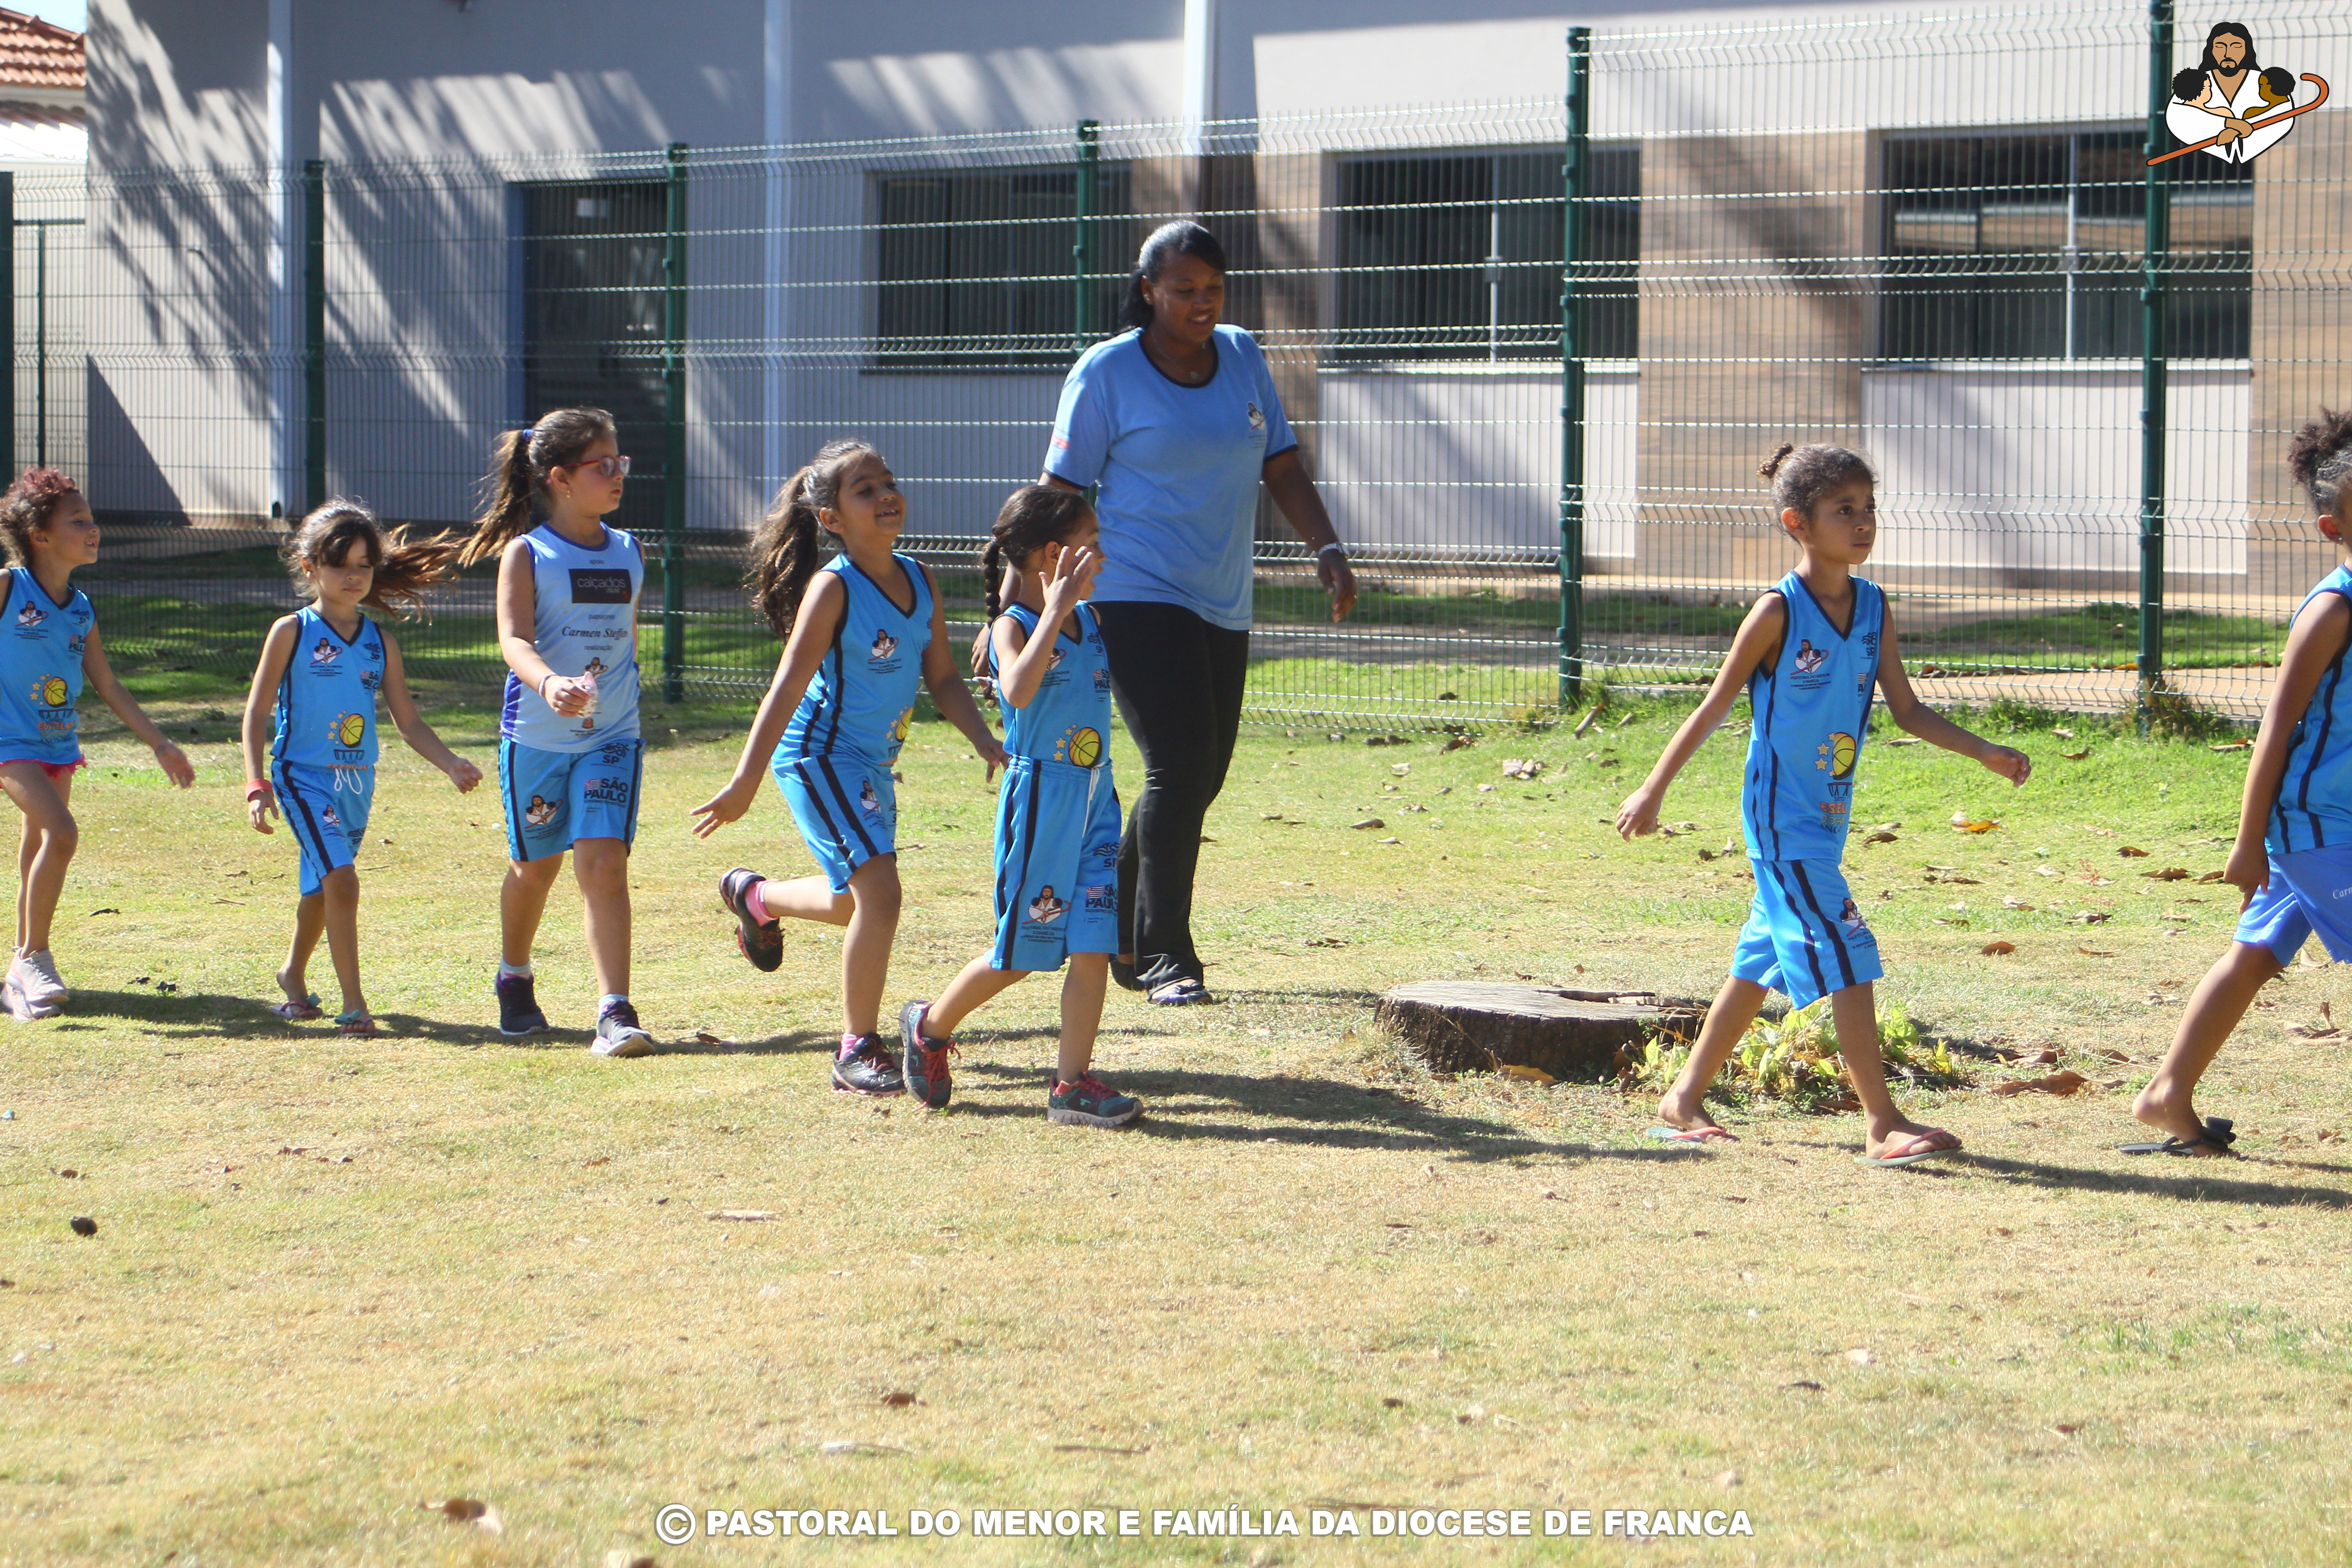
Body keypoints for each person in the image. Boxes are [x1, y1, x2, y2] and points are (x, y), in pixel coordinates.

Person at [1614, 443, 2032, 1166]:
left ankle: (1681, 1100)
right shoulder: (1777, 611)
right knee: (1848, 951)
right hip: (1780, 820)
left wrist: (1983, 752)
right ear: (1796, 523)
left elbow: (1905, 709)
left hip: (1829, 817)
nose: (1864, 522)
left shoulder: (1873, 606)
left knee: (1758, 964)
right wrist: (1653, 788)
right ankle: (1883, 1123)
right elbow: (1714, 705)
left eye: (1870, 507)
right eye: (1845, 510)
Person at [1043, 219, 1357, 1007]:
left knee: (1199, 774)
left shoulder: (1243, 356)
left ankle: (1111, 921)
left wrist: (1324, 547)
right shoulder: (1106, 373)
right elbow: (1055, 496)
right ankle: (1163, 957)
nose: (1199, 303)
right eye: (1182, 290)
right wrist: (1018, 603)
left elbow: (1279, 463)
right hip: (1133, 588)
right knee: (1178, 764)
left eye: (1212, 288)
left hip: (1221, 593)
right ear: (1147, 290)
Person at [690, 440, 1008, 1096]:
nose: (886, 494)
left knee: (853, 901)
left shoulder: (921, 578)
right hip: (819, 756)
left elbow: (943, 677)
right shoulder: (833, 588)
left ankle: (757, 896)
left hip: (869, 763)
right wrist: (744, 781)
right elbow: (785, 687)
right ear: (832, 518)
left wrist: (984, 737)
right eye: (866, 489)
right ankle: (856, 1047)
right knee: (882, 896)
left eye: (888, 481)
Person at [2129, 411, 2352, 1157]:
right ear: (2331, 528)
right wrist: (2246, 840)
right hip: (2314, 825)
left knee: (2254, 956)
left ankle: (2166, 1092)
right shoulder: (2330, 611)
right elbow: (2274, 727)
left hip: (2332, 824)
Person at [895, 485, 1140, 1125]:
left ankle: (1070, 1084)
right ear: (1054, 557)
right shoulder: (1016, 626)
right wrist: (1054, 608)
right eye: (1092, 548)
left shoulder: (1091, 620)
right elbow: (1019, 691)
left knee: (1092, 943)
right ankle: (930, 1026)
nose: (1103, 559)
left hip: (1096, 799)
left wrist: (1068, 608)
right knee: (1025, 950)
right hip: (1043, 805)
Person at [240, 501, 482, 1035]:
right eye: (339, 564)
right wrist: (257, 783)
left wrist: (451, 763)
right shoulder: (292, 632)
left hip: (358, 781)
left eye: (364, 565)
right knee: (343, 881)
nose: (354, 576)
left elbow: (409, 722)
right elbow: (256, 712)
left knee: (321, 888)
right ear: (309, 567)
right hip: (301, 776)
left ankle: (292, 977)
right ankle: (355, 1004)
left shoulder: (381, 643)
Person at [460, 408, 655, 1056]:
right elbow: (513, 639)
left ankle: (615, 1010)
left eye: (619, 463)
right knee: (535, 867)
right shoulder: (528, 553)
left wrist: (613, 692)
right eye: (604, 466)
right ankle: (514, 977)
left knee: (602, 862)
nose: (618, 475)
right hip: (539, 737)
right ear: (560, 479)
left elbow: (623, 635)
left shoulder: (630, 551)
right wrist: (551, 684)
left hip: (613, 736)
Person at [0, 468, 194, 1018]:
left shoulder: (81, 607)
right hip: (9, 742)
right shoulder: (9, 587)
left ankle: (18, 971)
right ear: (40, 536)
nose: (94, 530)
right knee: (61, 834)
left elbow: (108, 684)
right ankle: (34, 957)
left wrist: (159, 744)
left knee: (39, 845)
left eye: (92, 520)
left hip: (58, 744)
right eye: (79, 521)